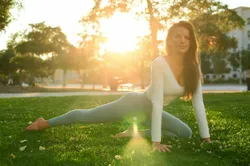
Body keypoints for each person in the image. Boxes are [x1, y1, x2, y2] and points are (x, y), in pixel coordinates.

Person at [26, 21, 211, 153]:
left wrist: (206, 139)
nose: (182, 40)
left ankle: (134, 132)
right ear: (169, 40)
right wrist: (156, 142)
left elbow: (199, 104)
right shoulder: (160, 63)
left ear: (191, 41)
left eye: (187, 37)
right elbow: (156, 103)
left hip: (151, 112)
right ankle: (43, 123)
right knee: (88, 116)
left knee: (185, 133)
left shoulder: (193, 69)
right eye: (177, 36)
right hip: (135, 104)